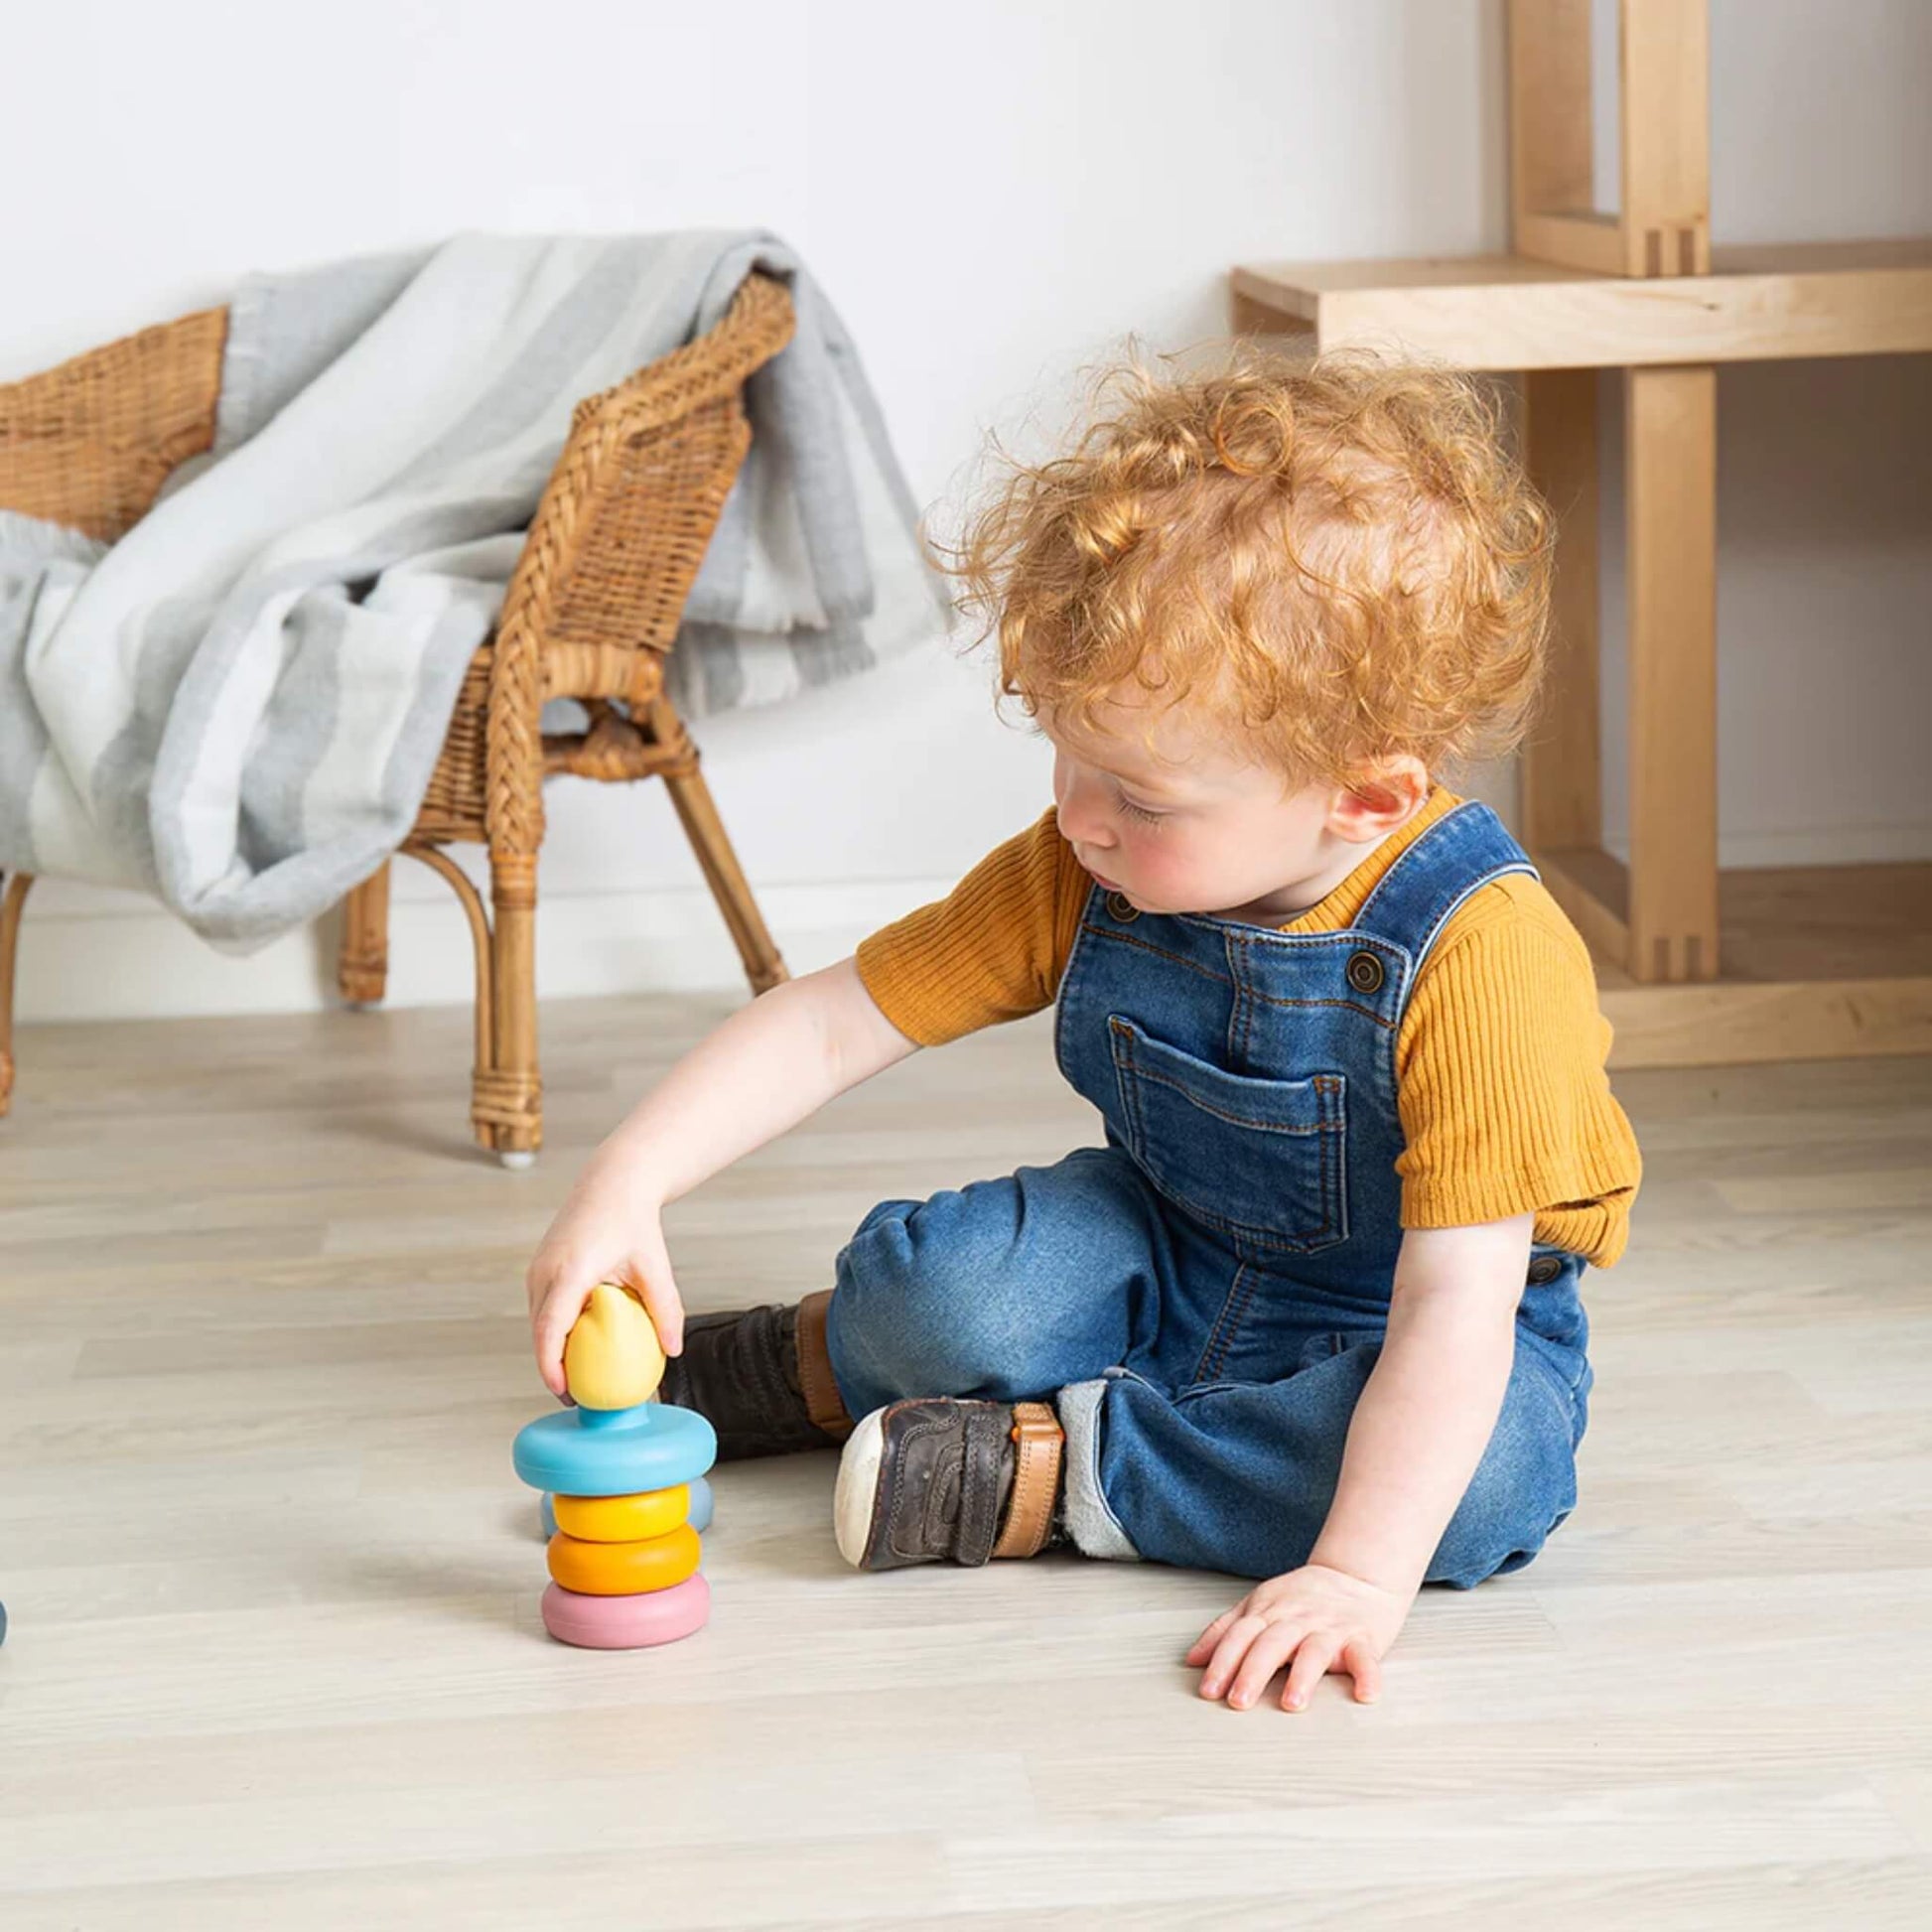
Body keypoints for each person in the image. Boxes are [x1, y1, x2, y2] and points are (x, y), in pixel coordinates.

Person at [525, 343, 1642, 1714]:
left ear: (1363, 796)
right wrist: (625, 1178)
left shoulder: (1482, 960)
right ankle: (809, 1365)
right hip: (1165, 1244)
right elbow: (828, 1023)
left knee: (1477, 1490)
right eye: (1065, 755)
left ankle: (1048, 1477)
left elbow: (1454, 1304)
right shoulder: (1084, 863)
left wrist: (1356, 1570)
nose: (1078, 816)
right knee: (957, 1297)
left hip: (1408, 1315)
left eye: (1139, 795)